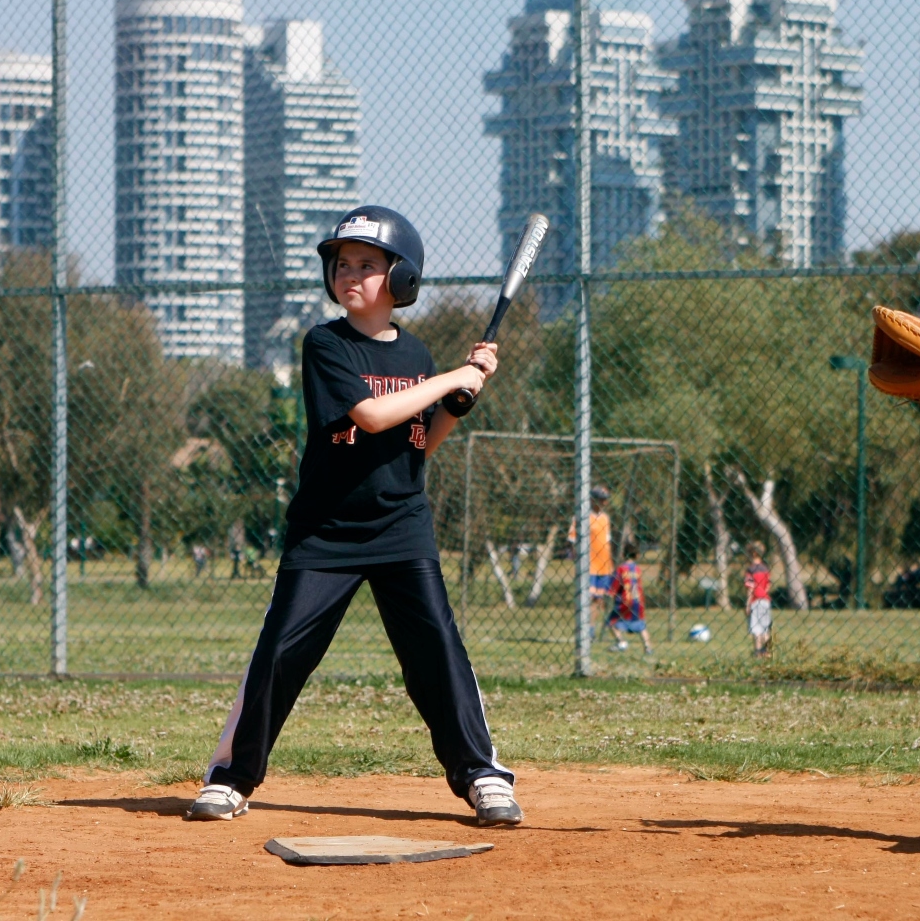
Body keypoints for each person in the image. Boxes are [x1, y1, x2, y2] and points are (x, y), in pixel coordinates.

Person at [186, 206, 521, 827]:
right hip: (327, 530)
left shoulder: (416, 351)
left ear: (402, 278)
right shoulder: (325, 344)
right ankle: (231, 777)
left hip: (401, 526)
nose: (351, 275)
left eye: (368, 265)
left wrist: (461, 398)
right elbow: (369, 417)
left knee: (437, 651)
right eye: (343, 265)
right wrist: (454, 373)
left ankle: (482, 775)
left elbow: (417, 440)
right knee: (282, 650)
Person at [569, 485, 614, 635]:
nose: (604, 503)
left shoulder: (605, 519)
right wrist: (577, 560)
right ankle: (583, 628)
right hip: (589, 565)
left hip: (604, 566)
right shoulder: (581, 517)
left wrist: (611, 564)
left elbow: (607, 542)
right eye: (601, 500)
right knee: (587, 598)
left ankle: (591, 628)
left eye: (605, 500)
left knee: (598, 600)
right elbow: (573, 540)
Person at [606, 543, 654, 655]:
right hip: (637, 600)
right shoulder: (637, 569)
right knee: (641, 625)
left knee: (612, 622)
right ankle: (648, 647)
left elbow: (615, 584)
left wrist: (610, 592)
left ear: (623, 555)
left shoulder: (621, 569)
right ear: (637, 555)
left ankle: (621, 642)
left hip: (624, 601)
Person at [745, 542, 771, 657]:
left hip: (755, 600)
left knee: (756, 627)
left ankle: (758, 651)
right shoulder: (765, 569)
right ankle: (767, 651)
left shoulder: (751, 570)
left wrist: (747, 604)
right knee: (765, 627)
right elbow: (768, 585)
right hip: (765, 599)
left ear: (753, 553)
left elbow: (750, 587)